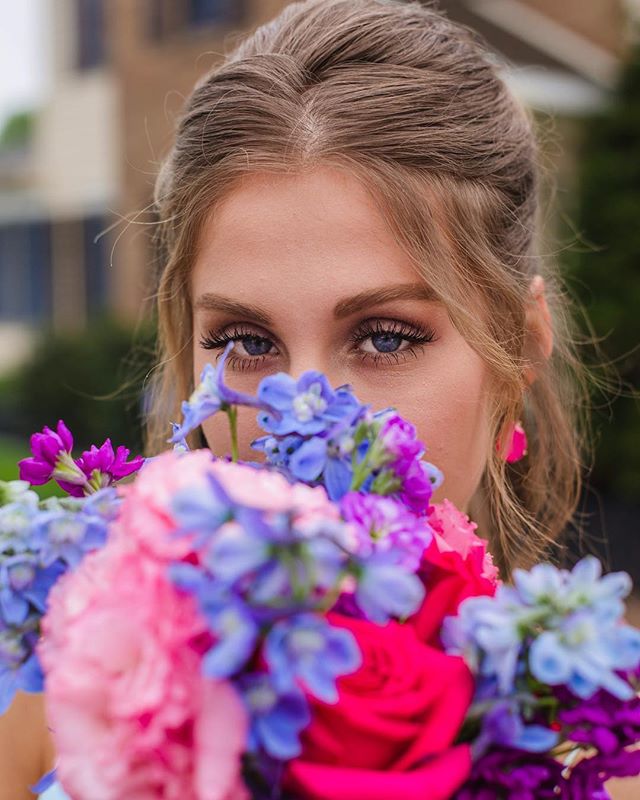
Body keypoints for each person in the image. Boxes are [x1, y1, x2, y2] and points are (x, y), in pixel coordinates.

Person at [1, 1, 634, 798]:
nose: (309, 427)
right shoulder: (58, 697)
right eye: (247, 342)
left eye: (386, 337)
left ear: (517, 351)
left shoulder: (595, 760)